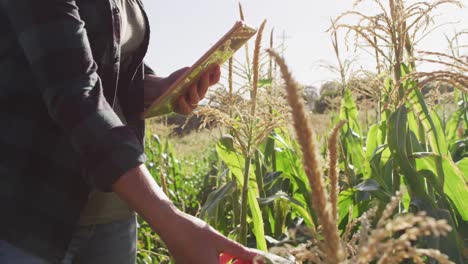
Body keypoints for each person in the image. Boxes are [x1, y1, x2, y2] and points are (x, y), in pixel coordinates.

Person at [0, 0, 258, 263]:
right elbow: (75, 93)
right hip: (35, 212)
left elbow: (108, 71)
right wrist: (171, 221)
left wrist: (161, 88)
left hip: (114, 211)